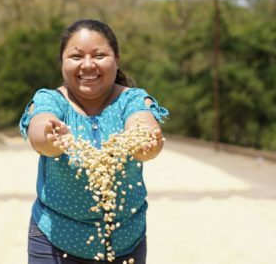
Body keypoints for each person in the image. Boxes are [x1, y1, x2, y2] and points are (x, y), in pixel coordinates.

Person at [19, 19, 169, 264]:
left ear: (116, 59)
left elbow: (143, 126)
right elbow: (39, 130)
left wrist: (145, 141)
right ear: (62, 62)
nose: (88, 65)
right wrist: (48, 136)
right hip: (55, 242)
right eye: (76, 57)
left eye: (99, 55)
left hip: (126, 243)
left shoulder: (131, 99)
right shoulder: (51, 100)